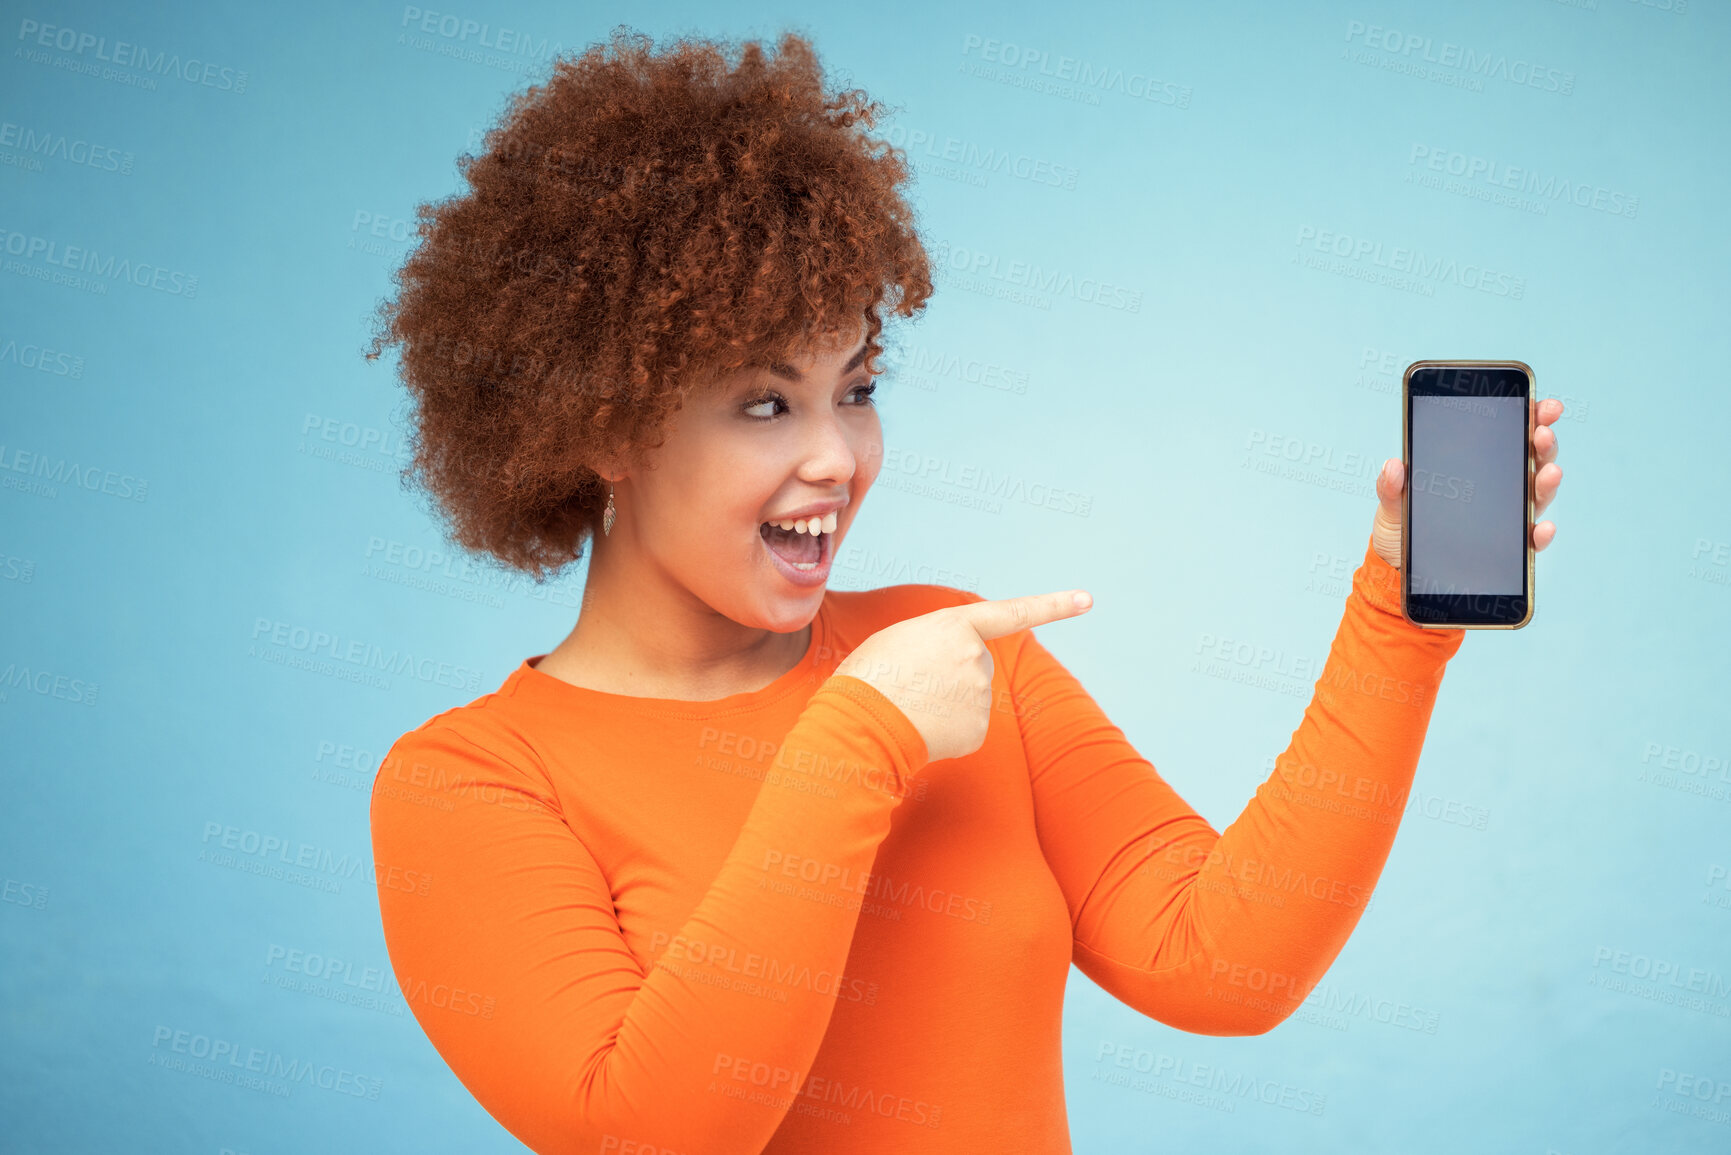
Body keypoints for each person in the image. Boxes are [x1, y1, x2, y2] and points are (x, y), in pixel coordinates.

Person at [364, 27, 1565, 1155]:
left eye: (859, 387)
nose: (837, 457)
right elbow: (652, 1129)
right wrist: (858, 745)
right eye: (765, 402)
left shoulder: (949, 649)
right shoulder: (472, 784)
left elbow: (1221, 963)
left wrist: (1398, 620)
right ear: (604, 427)